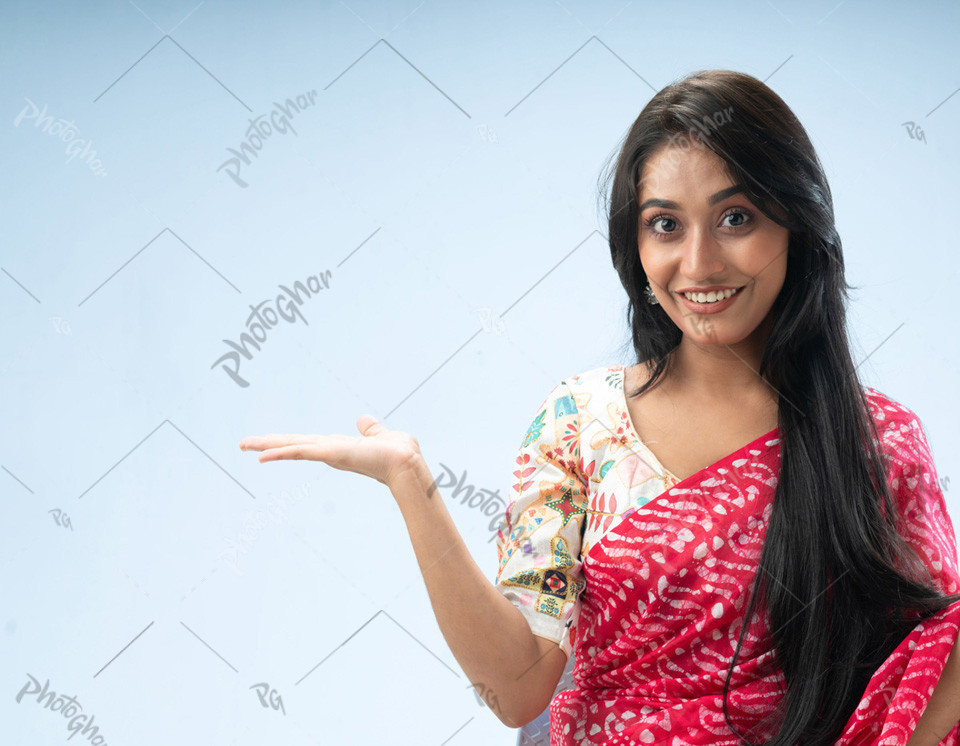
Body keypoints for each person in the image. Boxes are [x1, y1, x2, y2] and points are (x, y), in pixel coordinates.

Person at [239, 69, 960, 745]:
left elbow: (939, 658)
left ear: (795, 230)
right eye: (666, 225)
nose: (701, 263)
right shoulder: (578, 423)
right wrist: (411, 483)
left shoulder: (875, 441)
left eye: (736, 217)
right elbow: (520, 688)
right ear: (636, 246)